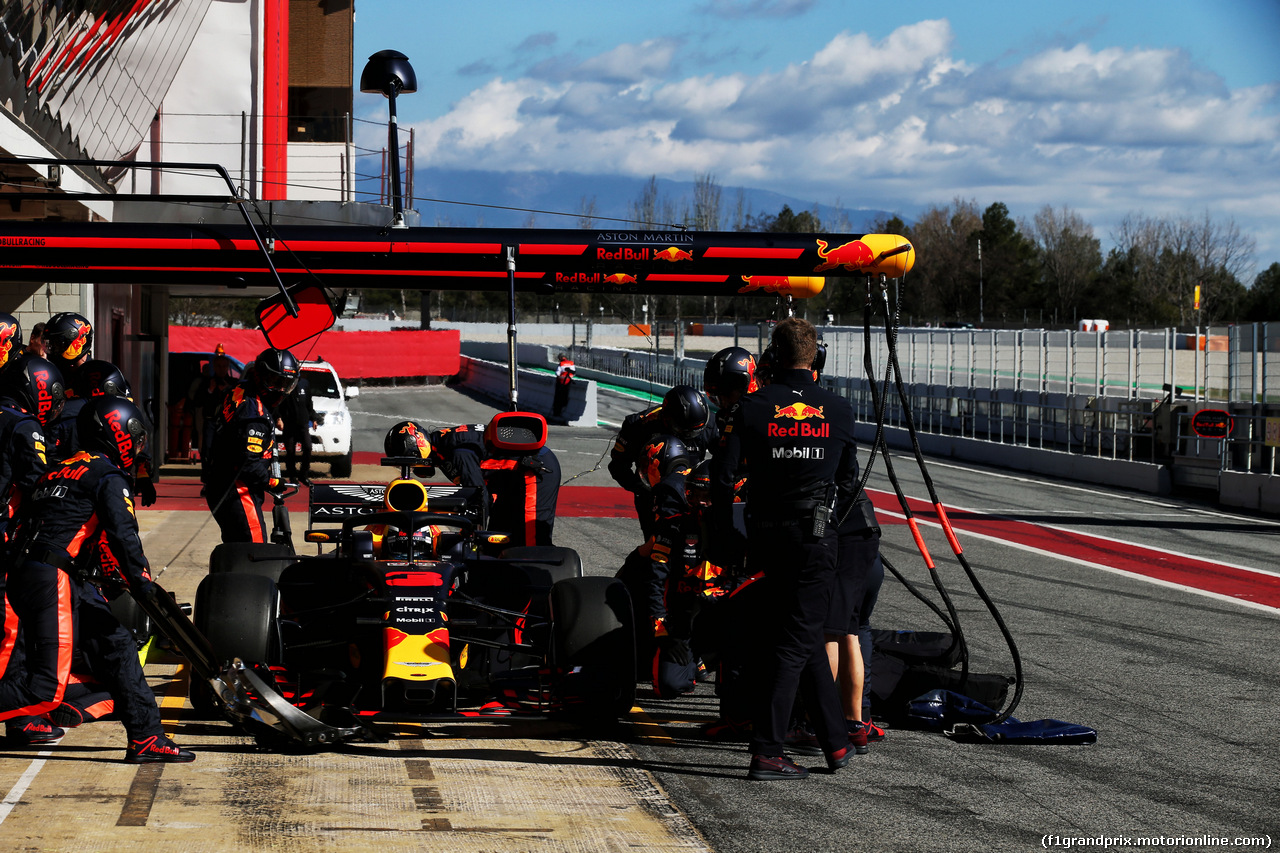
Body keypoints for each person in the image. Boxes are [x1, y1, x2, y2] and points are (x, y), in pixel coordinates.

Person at [1, 396, 194, 763]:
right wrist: (141, 582)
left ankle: (146, 736)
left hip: (35, 572)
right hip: (52, 576)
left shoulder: (58, 469)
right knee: (45, 689)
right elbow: (123, 536)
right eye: (135, 436)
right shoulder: (108, 475)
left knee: (116, 642)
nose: (138, 446)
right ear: (117, 431)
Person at [710, 316, 856, 781]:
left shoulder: (749, 407)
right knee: (794, 641)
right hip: (814, 537)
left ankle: (834, 743)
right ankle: (768, 752)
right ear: (815, 358)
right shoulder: (838, 408)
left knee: (802, 636)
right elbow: (848, 479)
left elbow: (722, 477)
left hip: (765, 536)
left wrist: (724, 532)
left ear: (770, 358)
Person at [0, 354, 66, 744]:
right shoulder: (24, 426)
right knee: (11, 628)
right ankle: (20, 714)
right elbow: (38, 485)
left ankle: (23, 717)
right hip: (4, 539)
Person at [203, 348, 298, 543]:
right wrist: (273, 481)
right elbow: (249, 464)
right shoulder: (255, 414)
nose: (280, 389)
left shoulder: (240, 389)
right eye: (275, 382)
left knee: (236, 547)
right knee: (255, 547)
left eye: (286, 384)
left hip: (221, 483)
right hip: (237, 488)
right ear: (260, 375)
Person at [609, 385, 716, 538]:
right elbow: (617, 466)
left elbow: (726, 461)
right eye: (688, 431)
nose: (692, 435)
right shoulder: (638, 425)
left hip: (694, 495)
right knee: (657, 543)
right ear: (668, 418)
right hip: (652, 496)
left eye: (696, 431)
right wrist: (642, 488)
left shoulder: (708, 423)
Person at [189, 345, 237, 462]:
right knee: (208, 448)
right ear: (214, 367)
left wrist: (229, 391)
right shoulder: (206, 383)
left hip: (228, 422)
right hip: (211, 421)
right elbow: (198, 401)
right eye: (219, 366)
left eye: (224, 366)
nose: (222, 369)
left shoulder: (233, 384)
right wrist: (210, 390)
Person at [280, 372, 315, 484]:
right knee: (290, 451)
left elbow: (309, 403)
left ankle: (303, 474)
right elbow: (278, 404)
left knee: (308, 447)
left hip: (303, 423)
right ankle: (292, 476)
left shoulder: (305, 383)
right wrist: (278, 418)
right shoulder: (285, 383)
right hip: (289, 424)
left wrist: (313, 418)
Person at [41, 312, 94, 382]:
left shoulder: (95, 375)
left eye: (58, 343)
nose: (54, 348)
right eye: (52, 343)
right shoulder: (55, 370)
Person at [552, 353, 576, 419]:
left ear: (560, 358)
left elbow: (557, 373)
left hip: (560, 383)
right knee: (565, 397)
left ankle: (557, 412)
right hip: (568, 383)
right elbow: (574, 372)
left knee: (558, 398)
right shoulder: (571, 363)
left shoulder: (561, 364)